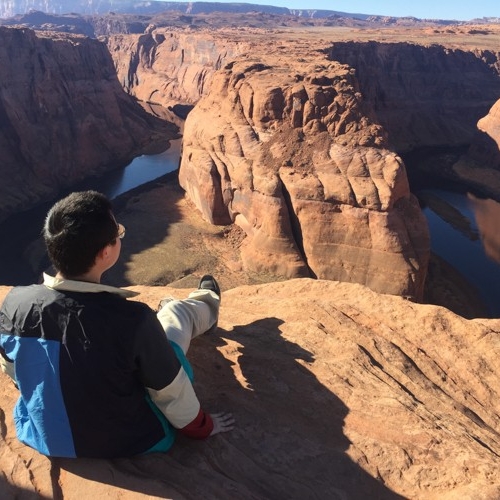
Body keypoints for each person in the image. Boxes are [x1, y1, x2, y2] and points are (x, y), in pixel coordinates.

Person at [0, 190, 234, 458]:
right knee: (176, 314)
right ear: (106, 252)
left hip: (44, 436)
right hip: (129, 440)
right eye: (118, 234)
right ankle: (208, 302)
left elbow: (15, 371)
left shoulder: (14, 304)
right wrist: (202, 426)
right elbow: (172, 392)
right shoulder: (133, 320)